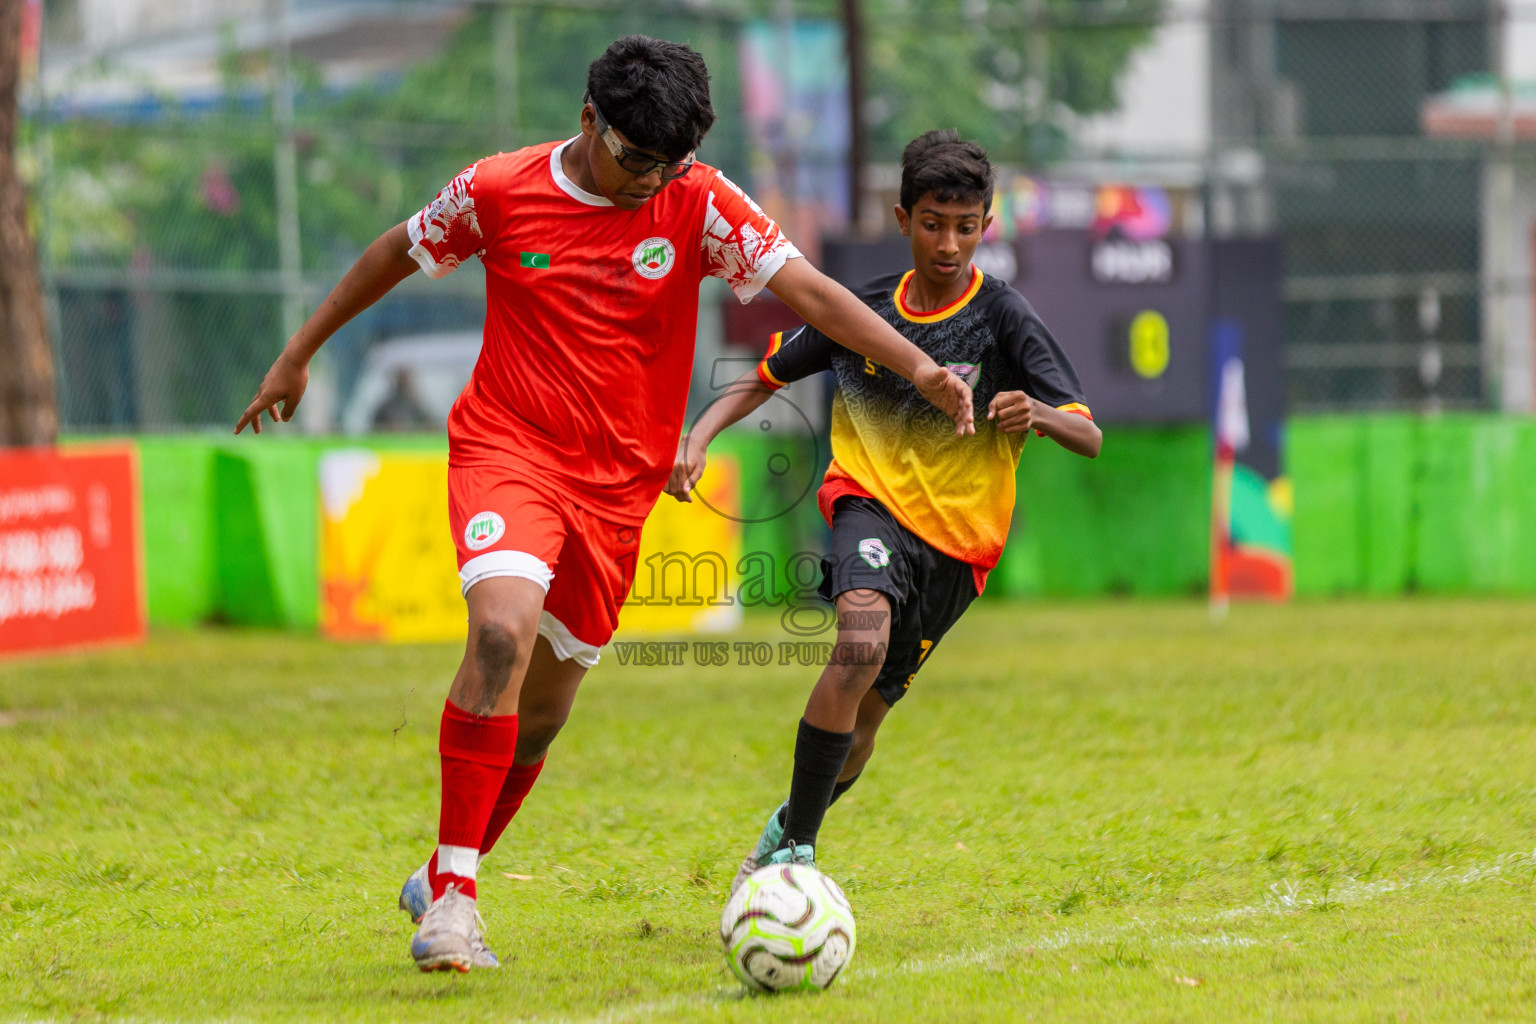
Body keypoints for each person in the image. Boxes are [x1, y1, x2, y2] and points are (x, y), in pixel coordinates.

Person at [234, 37, 974, 973]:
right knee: (498, 633)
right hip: (508, 451)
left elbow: (813, 295)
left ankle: (442, 867)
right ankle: (457, 903)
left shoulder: (698, 199)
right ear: (590, 119)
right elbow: (395, 250)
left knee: (540, 717)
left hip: (617, 494)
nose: (649, 181)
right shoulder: (499, 190)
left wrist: (916, 364)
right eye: (636, 159)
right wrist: (300, 351)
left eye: (669, 164)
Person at [665, 129, 1101, 890]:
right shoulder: (860, 311)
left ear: (987, 226)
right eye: (933, 222)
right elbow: (766, 373)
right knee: (859, 642)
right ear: (902, 218)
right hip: (867, 505)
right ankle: (798, 855)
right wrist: (697, 435)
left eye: (966, 227)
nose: (949, 242)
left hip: (958, 554)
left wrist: (1037, 411)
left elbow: (1089, 433)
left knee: (863, 728)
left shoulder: (1004, 316)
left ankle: (782, 830)